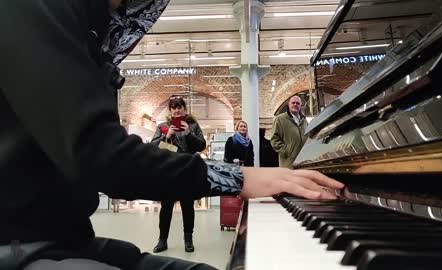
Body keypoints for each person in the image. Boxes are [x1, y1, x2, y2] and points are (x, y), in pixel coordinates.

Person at [0, 1, 344, 270]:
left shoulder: (86, 32)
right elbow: (104, 156)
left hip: (66, 237)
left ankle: (187, 238)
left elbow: (188, 146)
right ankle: (165, 237)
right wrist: (239, 177)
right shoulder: (37, 11)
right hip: (20, 246)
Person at [150, 96, 206, 253]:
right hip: (168, 172)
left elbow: (201, 146)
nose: (177, 110)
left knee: (188, 206)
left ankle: (188, 240)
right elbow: (153, 147)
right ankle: (162, 240)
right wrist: (166, 136)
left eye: (179, 107)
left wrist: (188, 133)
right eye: (174, 107)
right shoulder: (162, 127)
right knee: (166, 207)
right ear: (170, 111)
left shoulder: (193, 126)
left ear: (185, 110)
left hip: (187, 171)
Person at [270, 96, 309, 169]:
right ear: (289, 104)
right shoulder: (280, 119)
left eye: (297, 103)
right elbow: (274, 140)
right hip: (288, 163)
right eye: (293, 103)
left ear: (300, 106)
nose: (295, 105)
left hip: (303, 162)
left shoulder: (304, 120)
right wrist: (286, 151)